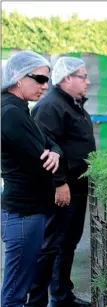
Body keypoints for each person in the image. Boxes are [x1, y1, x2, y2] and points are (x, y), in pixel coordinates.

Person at [26, 57, 95, 307]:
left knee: (67, 243)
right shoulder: (51, 106)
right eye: (83, 76)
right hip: (62, 189)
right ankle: (36, 301)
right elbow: (45, 149)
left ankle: (62, 295)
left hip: (76, 187)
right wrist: (59, 183)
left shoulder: (72, 104)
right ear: (68, 78)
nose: (88, 81)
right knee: (51, 245)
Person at [1, 50, 62, 307]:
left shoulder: (20, 109)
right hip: (23, 214)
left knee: (19, 288)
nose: (44, 85)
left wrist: (55, 153)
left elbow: (50, 144)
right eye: (38, 78)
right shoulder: (11, 113)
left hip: (26, 213)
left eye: (46, 79)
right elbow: (41, 164)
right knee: (15, 293)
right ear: (18, 78)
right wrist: (52, 156)